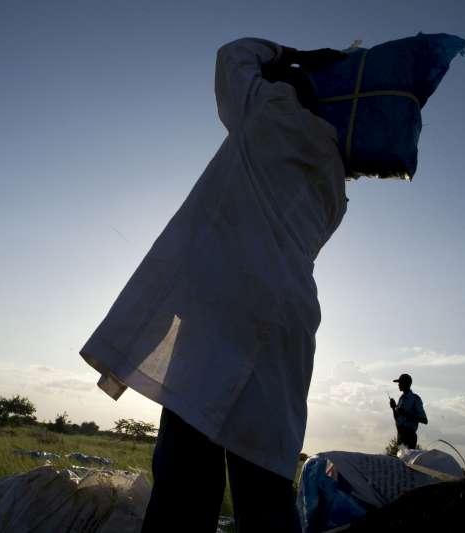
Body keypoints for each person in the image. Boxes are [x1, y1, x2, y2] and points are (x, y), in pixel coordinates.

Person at [79, 38, 347, 532]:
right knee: (264, 477)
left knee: (185, 474)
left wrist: (291, 54)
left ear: (283, 91)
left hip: (222, 310)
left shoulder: (268, 111)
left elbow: (233, 55)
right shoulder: (334, 174)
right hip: (288, 325)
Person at [389, 373, 427, 449]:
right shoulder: (401, 399)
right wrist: (393, 408)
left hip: (409, 437)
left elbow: (424, 420)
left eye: (400, 383)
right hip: (400, 436)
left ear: (406, 384)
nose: (398, 385)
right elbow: (398, 420)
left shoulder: (415, 399)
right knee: (400, 460)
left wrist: (405, 414)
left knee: (407, 460)